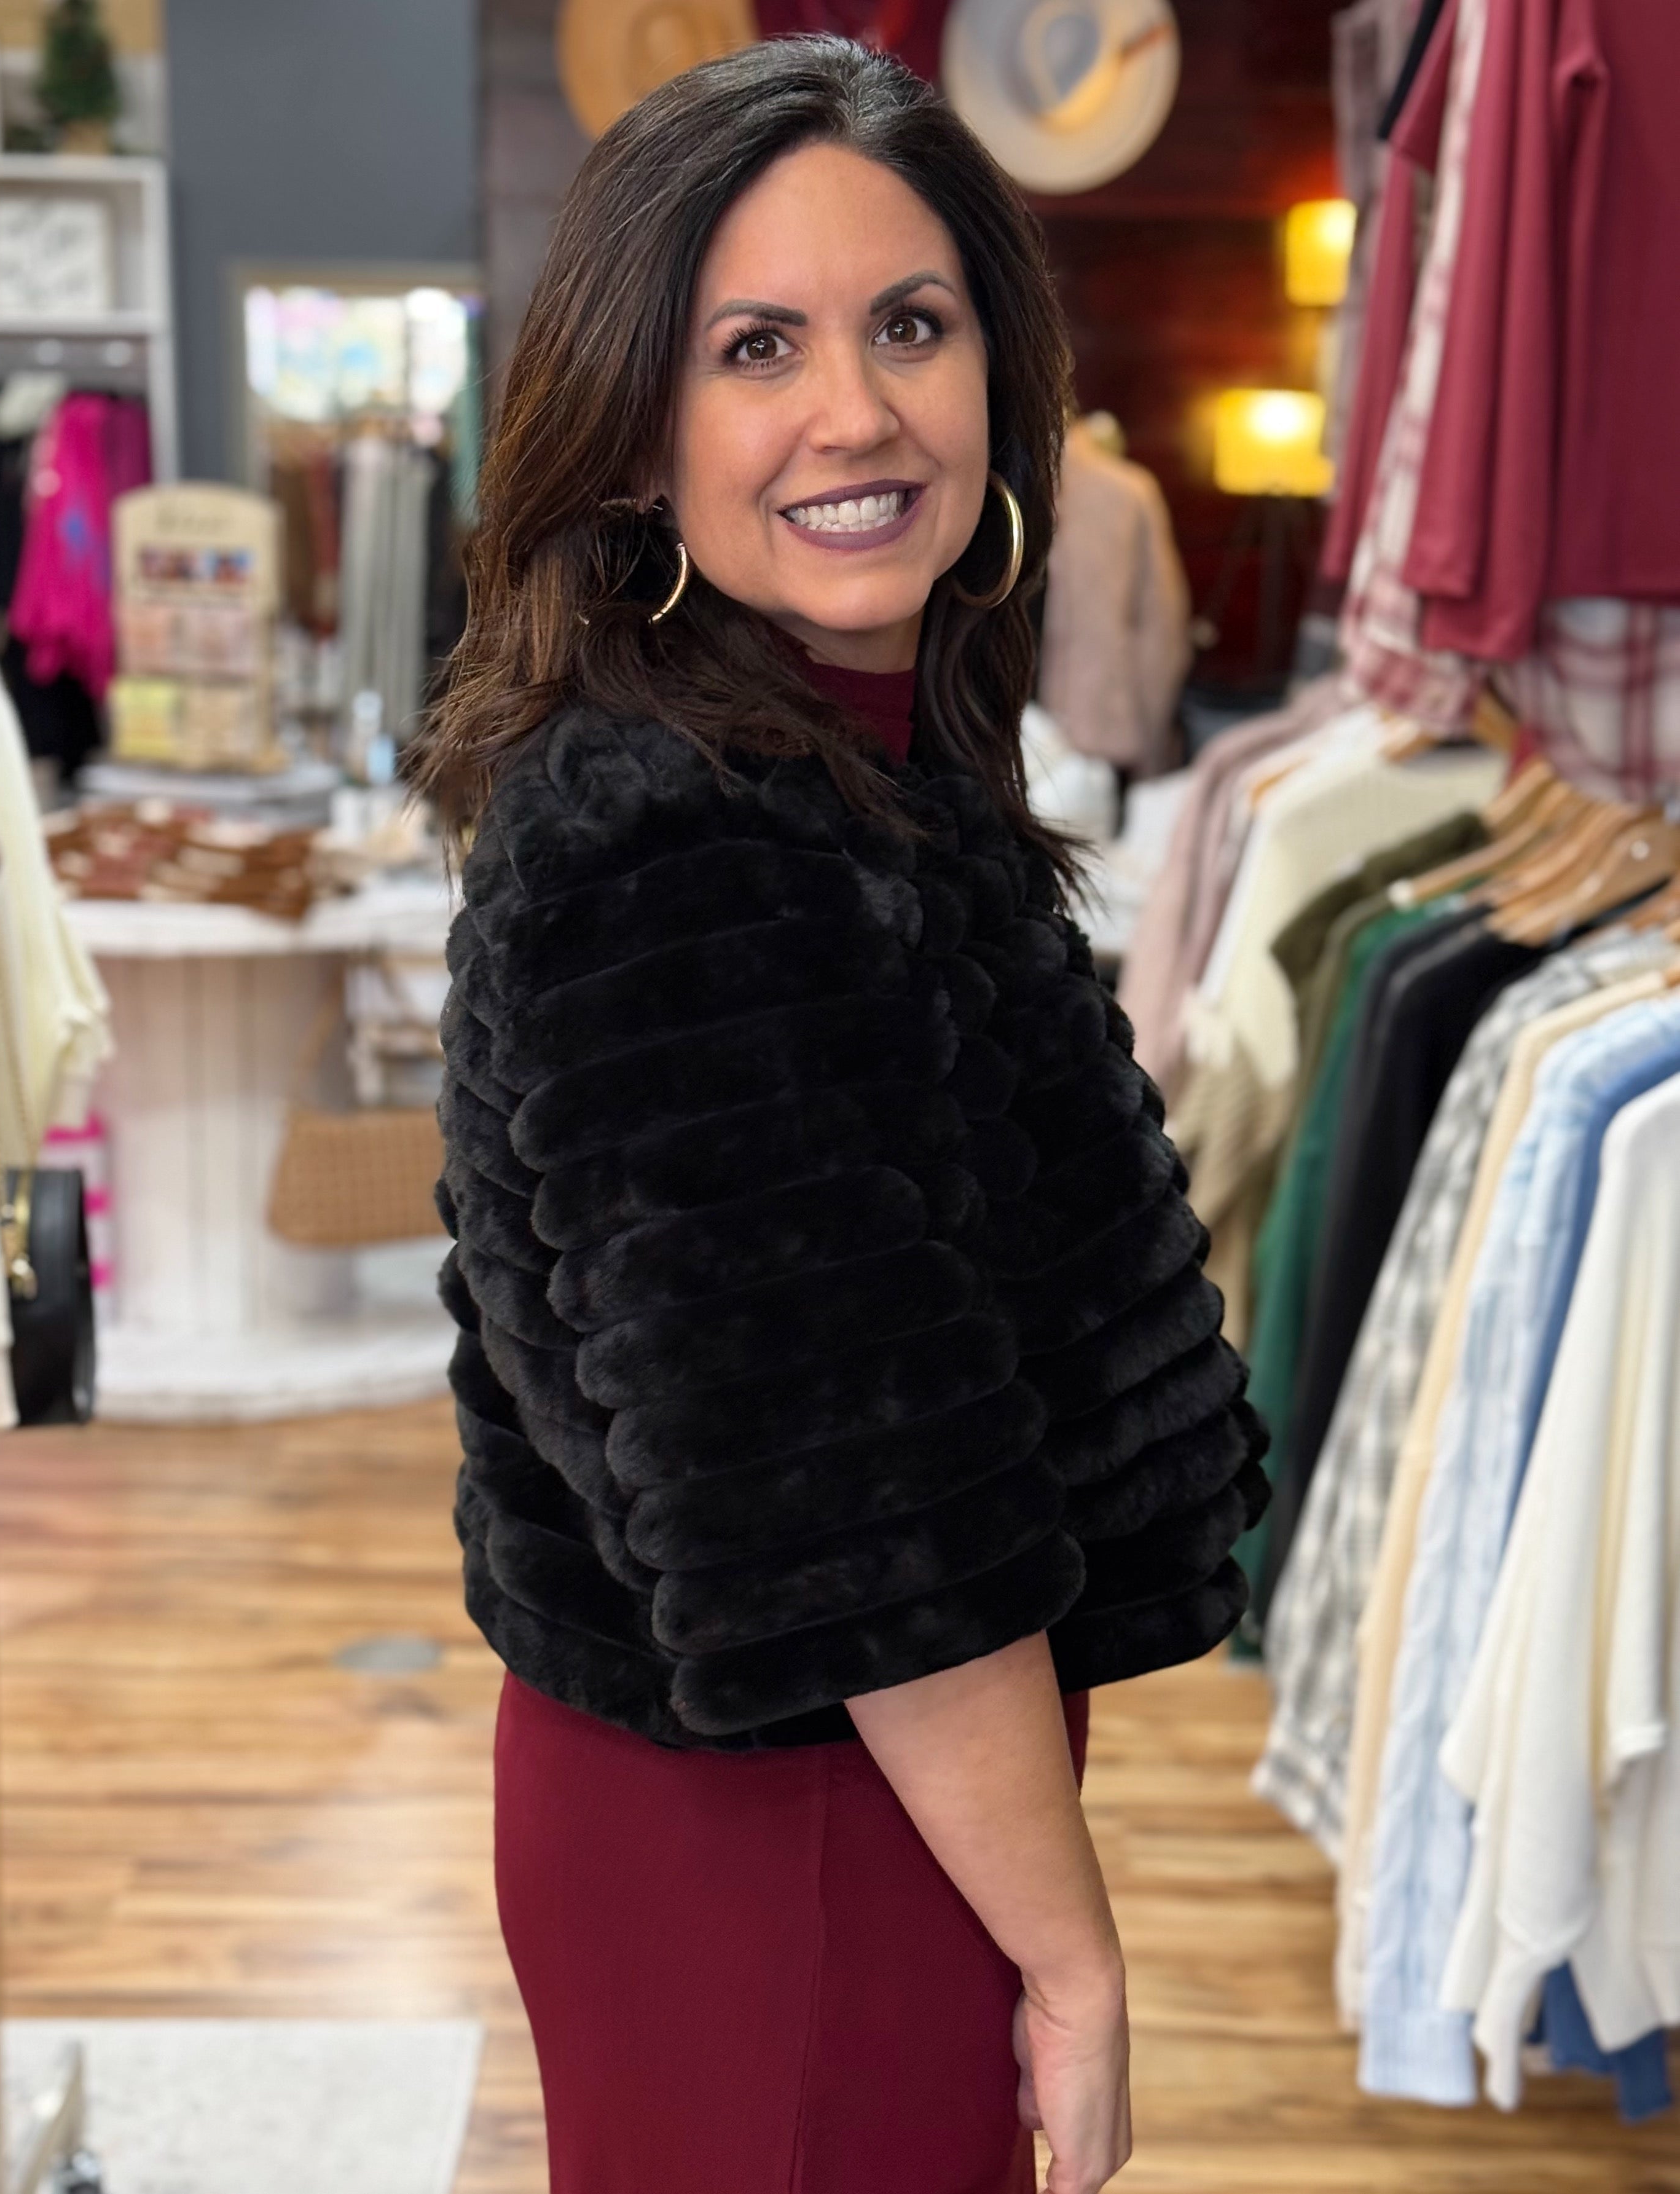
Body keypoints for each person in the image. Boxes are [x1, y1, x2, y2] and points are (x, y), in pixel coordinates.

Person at [415, 37, 1266, 2194]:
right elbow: (852, 1496)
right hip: (788, 1823)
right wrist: (1073, 1956)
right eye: (756, 349)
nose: (858, 412)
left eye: (910, 324)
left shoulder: (856, 769)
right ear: (635, 433)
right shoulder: (688, 845)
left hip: (859, 1780)